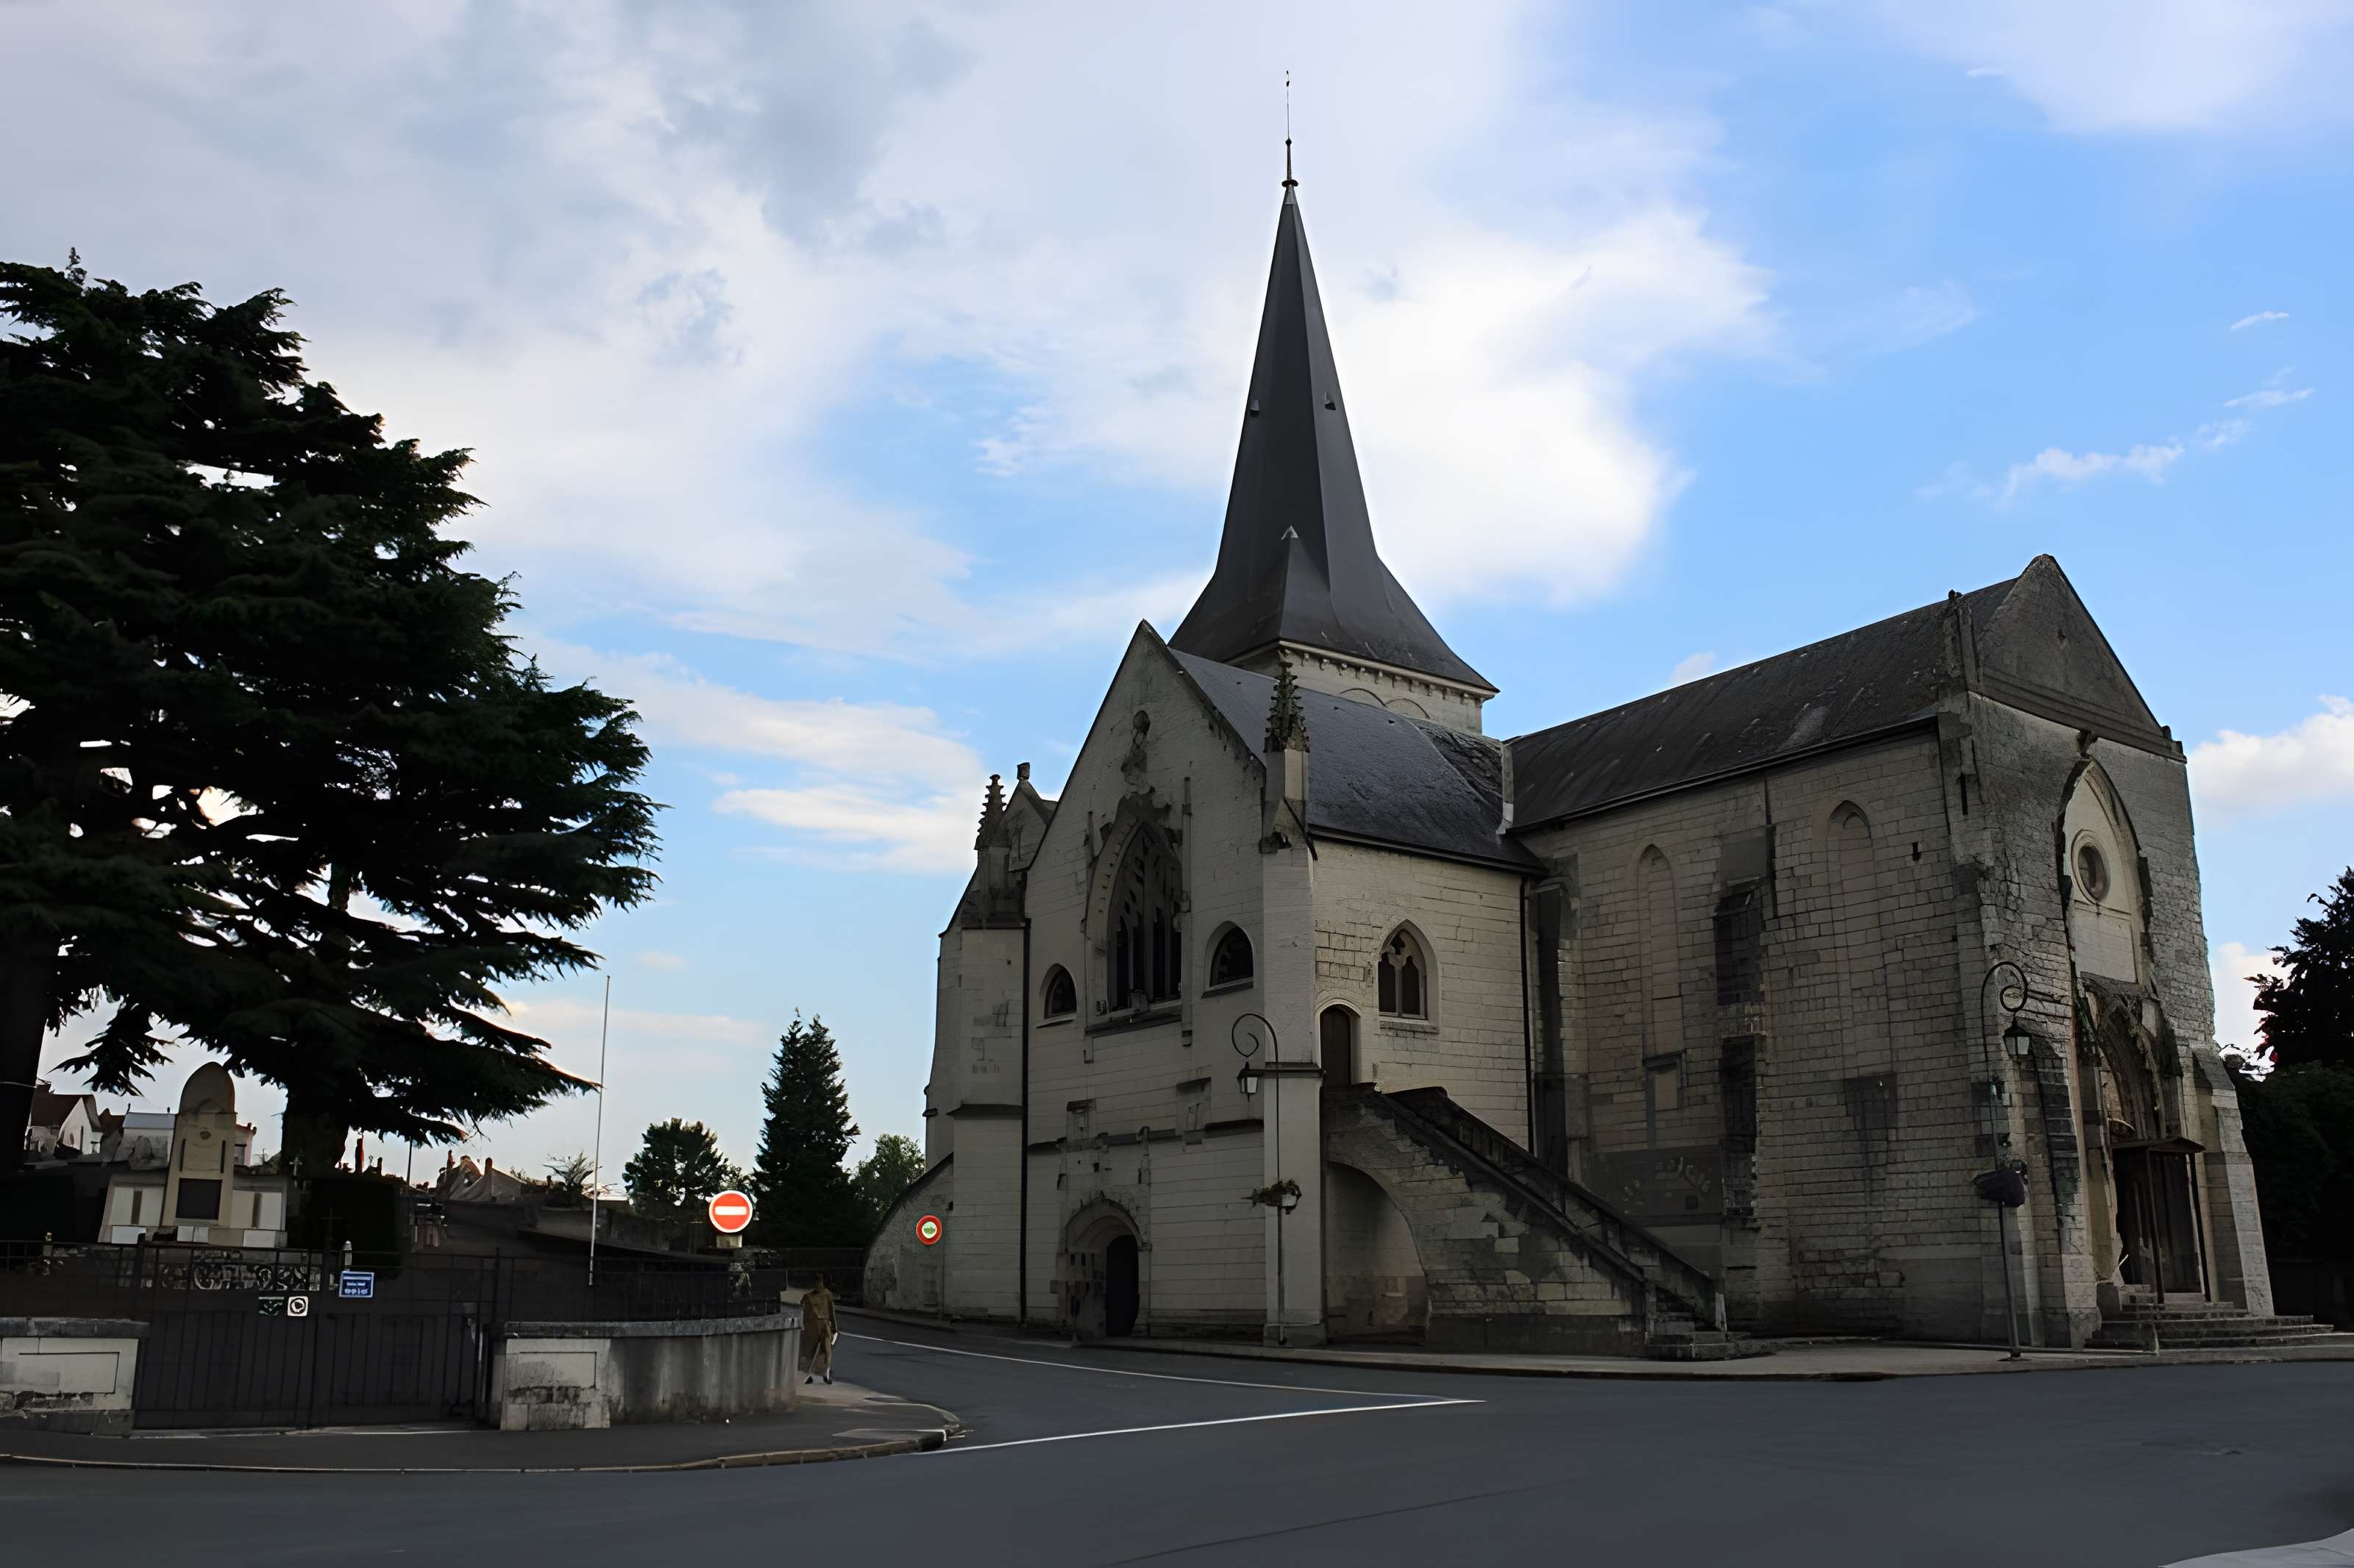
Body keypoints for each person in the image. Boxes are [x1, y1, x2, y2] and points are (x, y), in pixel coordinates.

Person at [803, 1274, 838, 1386]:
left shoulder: (809, 1297)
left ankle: (814, 1375)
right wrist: (835, 1327)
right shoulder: (826, 1295)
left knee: (815, 1352)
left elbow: (805, 1313)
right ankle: (823, 1375)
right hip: (823, 1326)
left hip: (817, 1326)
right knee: (825, 1351)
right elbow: (832, 1311)